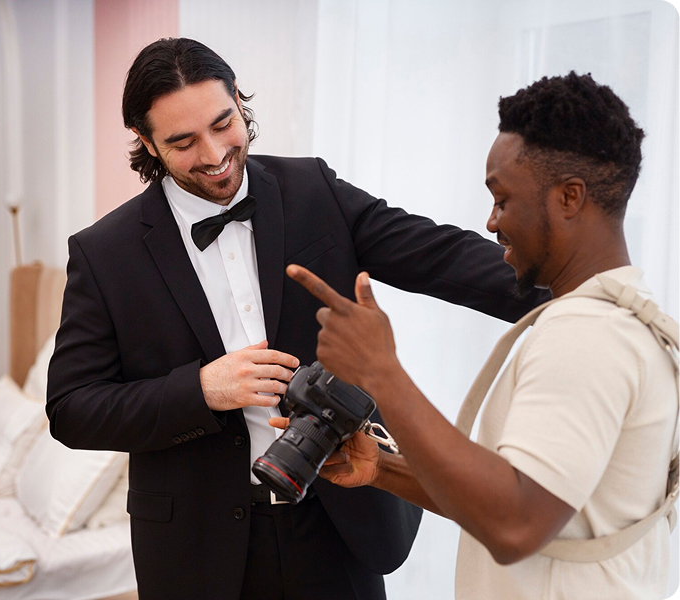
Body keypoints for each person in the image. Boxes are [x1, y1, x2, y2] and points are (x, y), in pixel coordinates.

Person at [46, 37, 548, 600]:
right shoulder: (104, 253)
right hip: (198, 549)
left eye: (223, 123)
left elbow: (443, 257)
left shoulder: (313, 189)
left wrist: (583, 291)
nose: (213, 154)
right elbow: (71, 409)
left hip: (341, 522)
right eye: (183, 142)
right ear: (146, 142)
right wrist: (201, 389)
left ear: (239, 99)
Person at [283, 72, 678, 599]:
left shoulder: (586, 337)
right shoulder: (620, 319)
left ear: (569, 198)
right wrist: (382, 469)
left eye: (502, 199)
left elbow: (516, 524)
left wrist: (381, 371)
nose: (491, 222)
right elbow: (524, 498)